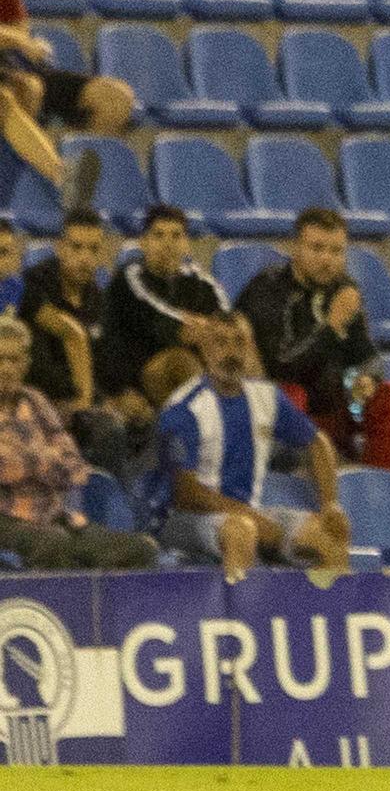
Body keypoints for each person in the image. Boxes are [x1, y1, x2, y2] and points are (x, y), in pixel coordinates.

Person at [154, 319, 349, 584]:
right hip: (182, 519)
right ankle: (243, 619)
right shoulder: (184, 408)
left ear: (251, 349)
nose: (231, 353)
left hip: (249, 512)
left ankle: (329, 617)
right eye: (221, 343)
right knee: (241, 531)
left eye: (239, 343)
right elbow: (185, 493)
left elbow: (318, 443)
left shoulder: (266, 397)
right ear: (204, 350)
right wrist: (251, 517)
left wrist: (330, 504)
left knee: (329, 534)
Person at [235, 208, 390, 471]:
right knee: (291, 394)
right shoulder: (268, 288)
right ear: (296, 248)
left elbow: (366, 355)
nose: (327, 260)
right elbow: (281, 366)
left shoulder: (343, 289)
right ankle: (284, 476)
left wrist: (366, 378)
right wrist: (331, 326)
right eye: (317, 249)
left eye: (336, 251)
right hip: (279, 411)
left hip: (338, 410)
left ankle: (378, 488)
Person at [0, 314, 157, 569]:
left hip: (56, 517)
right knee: (53, 543)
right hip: (6, 520)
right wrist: (44, 457)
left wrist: (23, 459)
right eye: (0, 359)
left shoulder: (36, 401)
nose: (6, 368)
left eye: (14, 359)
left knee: (141, 549)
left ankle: (108, 608)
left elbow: (74, 467)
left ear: (26, 364)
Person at [99, 205, 237, 427]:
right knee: (179, 361)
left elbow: (229, 320)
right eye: (158, 235)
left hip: (197, 374)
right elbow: (155, 322)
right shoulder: (129, 277)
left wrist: (208, 331)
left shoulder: (201, 282)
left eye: (176, 235)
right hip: (138, 377)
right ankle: (214, 431)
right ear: (143, 242)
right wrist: (186, 329)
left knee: (239, 344)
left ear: (186, 244)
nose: (168, 243)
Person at [18, 209, 127, 473]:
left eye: (93, 250)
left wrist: (108, 398)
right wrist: (81, 401)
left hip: (81, 399)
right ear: (59, 248)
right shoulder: (33, 287)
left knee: (137, 419)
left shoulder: (96, 298)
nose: (85, 258)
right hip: (37, 398)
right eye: (76, 247)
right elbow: (36, 366)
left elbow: (103, 362)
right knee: (107, 429)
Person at [0, 0, 135, 141]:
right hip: (11, 80)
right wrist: (17, 40)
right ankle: (39, 167)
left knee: (115, 98)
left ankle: (76, 160)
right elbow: (17, 38)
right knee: (29, 88)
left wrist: (27, 42)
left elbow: (19, 30)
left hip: (18, 66)